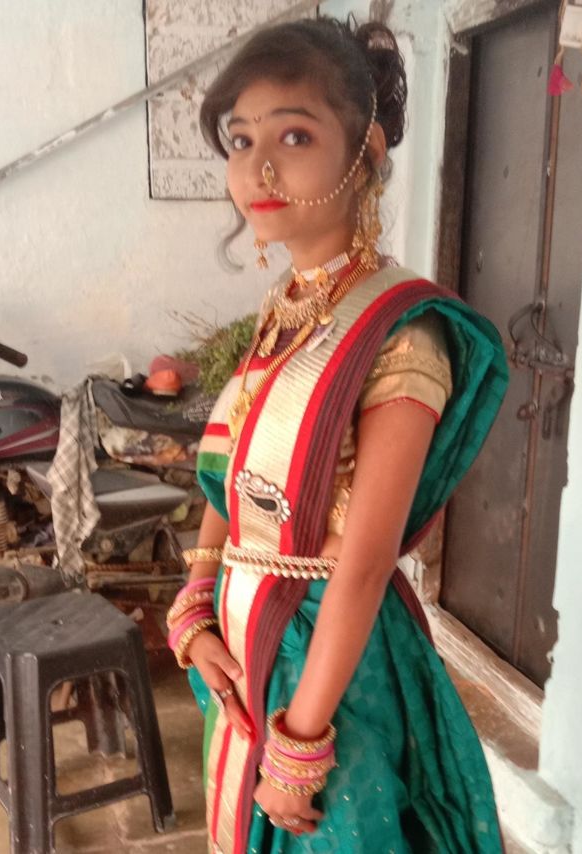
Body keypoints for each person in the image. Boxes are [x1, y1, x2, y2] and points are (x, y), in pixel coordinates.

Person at [166, 16, 508, 854]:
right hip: (249, 646)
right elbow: (233, 471)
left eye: (294, 135)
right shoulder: (285, 309)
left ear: (369, 151)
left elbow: (363, 560)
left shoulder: (401, 334)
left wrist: (301, 741)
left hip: (332, 675)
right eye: (240, 140)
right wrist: (194, 601)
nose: (258, 168)